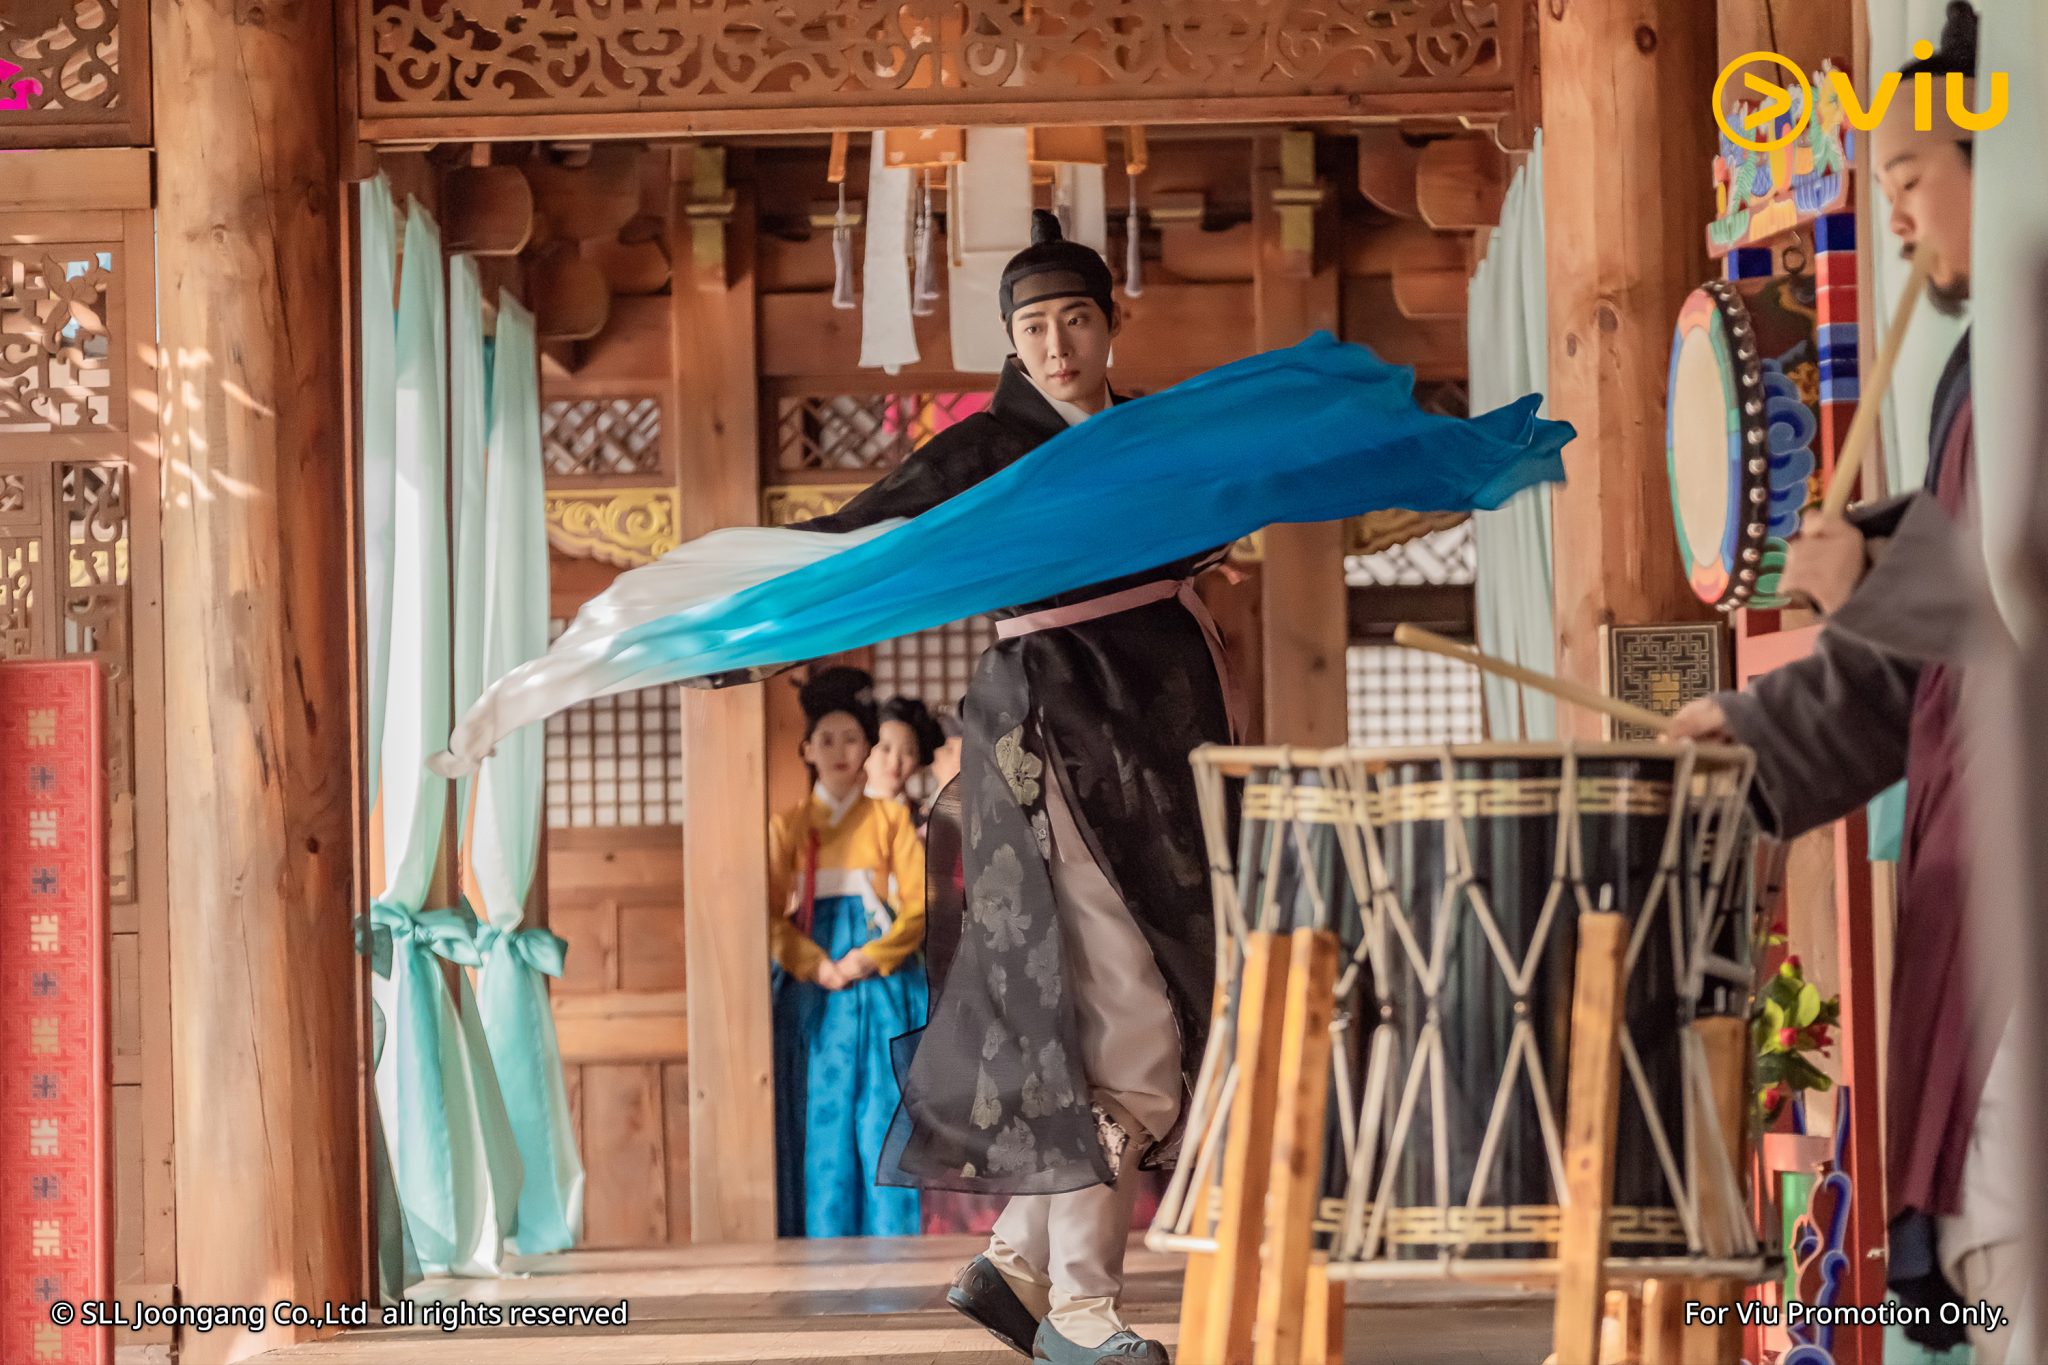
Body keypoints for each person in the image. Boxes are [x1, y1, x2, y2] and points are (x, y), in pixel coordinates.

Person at [798, 210, 1228, 1364]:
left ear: (1109, 323)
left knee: (1130, 1003)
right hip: (1046, 750)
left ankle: (1016, 1264)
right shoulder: (986, 448)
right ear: (1009, 341)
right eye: (1032, 327)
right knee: (1124, 1017)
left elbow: (1240, 488)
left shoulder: (1149, 434)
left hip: (1152, 755)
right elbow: (856, 536)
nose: (1054, 345)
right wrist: (751, 614)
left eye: (1074, 319)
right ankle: (1079, 1306)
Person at [1668, 8, 2026, 1356]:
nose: (1901, 216)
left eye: (1913, 176)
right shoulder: (1984, 378)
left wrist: (1869, 576)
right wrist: (1745, 737)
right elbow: (1915, 669)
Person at [767, 666, 929, 1239]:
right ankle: (821, 1241)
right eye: (826, 739)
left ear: (867, 747)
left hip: (880, 984)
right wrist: (814, 964)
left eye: (852, 738)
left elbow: (919, 906)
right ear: (807, 749)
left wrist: (869, 957)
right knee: (822, 1112)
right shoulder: (788, 826)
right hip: (814, 991)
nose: (839, 751)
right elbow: (765, 917)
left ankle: (895, 1247)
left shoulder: (891, 820)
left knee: (885, 1114)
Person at [867, 694, 947, 808]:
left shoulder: (925, 816)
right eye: (885, 748)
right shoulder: (844, 812)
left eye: (907, 752)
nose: (895, 762)